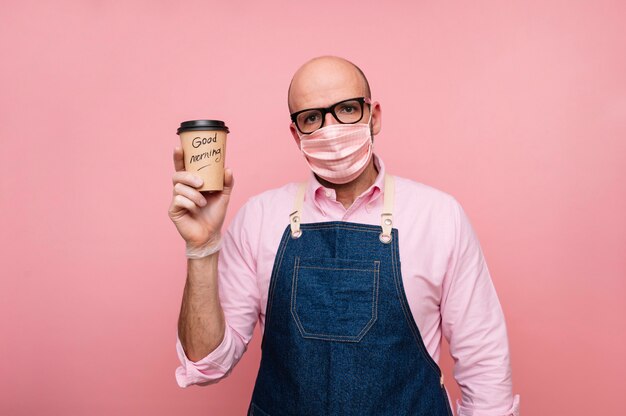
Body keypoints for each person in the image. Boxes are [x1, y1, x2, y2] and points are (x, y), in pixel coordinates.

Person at [168, 56, 520, 415]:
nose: (331, 128)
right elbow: (206, 363)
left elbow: (485, 365)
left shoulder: (439, 217)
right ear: (296, 133)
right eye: (311, 118)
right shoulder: (259, 218)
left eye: (347, 109)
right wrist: (201, 247)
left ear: (374, 116)